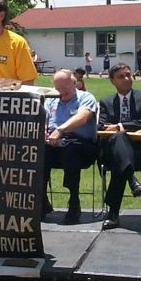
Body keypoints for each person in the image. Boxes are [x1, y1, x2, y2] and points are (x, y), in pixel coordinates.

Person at [98, 63, 141, 230]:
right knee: (119, 145)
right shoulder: (106, 102)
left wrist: (119, 126)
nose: (127, 79)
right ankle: (131, 179)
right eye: (121, 76)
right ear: (112, 81)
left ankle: (113, 214)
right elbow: (102, 126)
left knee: (120, 152)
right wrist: (121, 129)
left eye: (128, 75)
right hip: (113, 151)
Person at [43, 69, 98, 224]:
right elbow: (42, 118)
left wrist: (60, 130)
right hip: (53, 145)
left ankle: (74, 201)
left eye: (65, 88)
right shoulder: (51, 100)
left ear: (74, 84)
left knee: (71, 151)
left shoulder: (85, 98)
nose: (61, 93)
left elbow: (83, 117)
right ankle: (41, 199)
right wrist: (43, 132)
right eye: (57, 89)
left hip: (81, 145)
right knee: (36, 154)